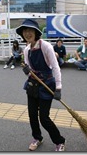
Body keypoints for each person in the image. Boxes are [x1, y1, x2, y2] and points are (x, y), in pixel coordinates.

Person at [16, 19, 66, 151]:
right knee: (32, 115)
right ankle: (37, 137)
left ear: (36, 32)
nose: (27, 33)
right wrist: (27, 72)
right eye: (24, 31)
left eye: (30, 30)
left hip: (46, 84)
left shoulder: (46, 46)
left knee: (44, 118)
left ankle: (59, 141)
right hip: (33, 84)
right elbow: (30, 72)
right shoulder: (27, 50)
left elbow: (55, 67)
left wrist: (58, 88)